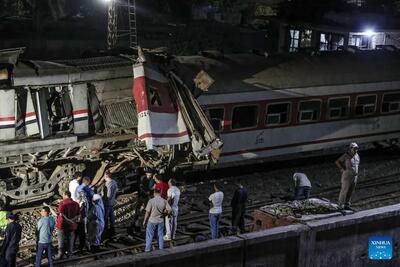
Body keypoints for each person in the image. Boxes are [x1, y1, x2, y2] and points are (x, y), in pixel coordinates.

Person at [143, 188, 171, 252]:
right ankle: (161, 249)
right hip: (160, 220)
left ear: (154, 193)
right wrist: (165, 214)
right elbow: (169, 210)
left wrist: (144, 221)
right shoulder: (164, 201)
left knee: (149, 236)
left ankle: (147, 250)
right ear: (160, 192)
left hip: (152, 220)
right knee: (160, 235)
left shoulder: (151, 201)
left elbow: (147, 212)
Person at [54, 191, 80, 260]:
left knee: (61, 240)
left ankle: (60, 254)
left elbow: (61, 214)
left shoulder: (62, 203)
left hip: (62, 225)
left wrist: (68, 220)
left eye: (63, 195)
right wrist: (71, 220)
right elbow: (78, 215)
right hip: (72, 225)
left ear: (65, 195)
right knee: (70, 240)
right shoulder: (76, 204)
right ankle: (70, 254)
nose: (62, 196)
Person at [335, 142, 360, 210]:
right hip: (347, 175)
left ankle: (347, 205)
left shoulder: (357, 156)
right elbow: (337, 161)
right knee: (344, 190)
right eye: (354, 148)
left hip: (354, 176)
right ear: (351, 148)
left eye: (357, 148)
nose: (356, 150)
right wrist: (342, 169)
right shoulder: (346, 156)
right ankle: (340, 206)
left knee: (351, 191)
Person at [102, 171, 118, 236]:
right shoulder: (114, 182)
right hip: (112, 203)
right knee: (112, 218)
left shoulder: (108, 184)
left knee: (105, 218)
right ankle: (112, 231)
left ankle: (105, 232)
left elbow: (108, 195)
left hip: (107, 203)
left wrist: (102, 199)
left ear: (106, 176)